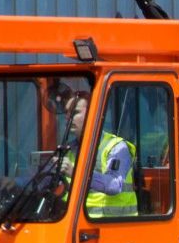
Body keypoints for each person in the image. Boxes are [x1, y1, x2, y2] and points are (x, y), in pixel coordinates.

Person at [52, 82, 138, 218]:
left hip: (114, 229)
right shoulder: (68, 149)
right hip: (75, 226)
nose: (68, 118)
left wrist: (75, 172)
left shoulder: (116, 147)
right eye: (67, 113)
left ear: (92, 113)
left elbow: (114, 185)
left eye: (75, 112)